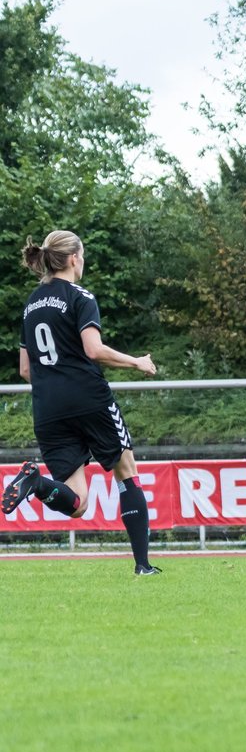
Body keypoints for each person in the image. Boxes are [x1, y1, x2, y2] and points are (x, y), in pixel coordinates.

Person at [1, 231, 161, 575]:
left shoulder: (30, 305)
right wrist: (137, 362)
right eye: (83, 255)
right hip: (89, 398)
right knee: (126, 475)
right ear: (74, 258)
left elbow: (25, 369)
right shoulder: (80, 296)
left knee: (77, 503)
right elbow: (94, 349)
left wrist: (55, 381)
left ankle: (37, 484)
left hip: (47, 408)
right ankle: (143, 566)